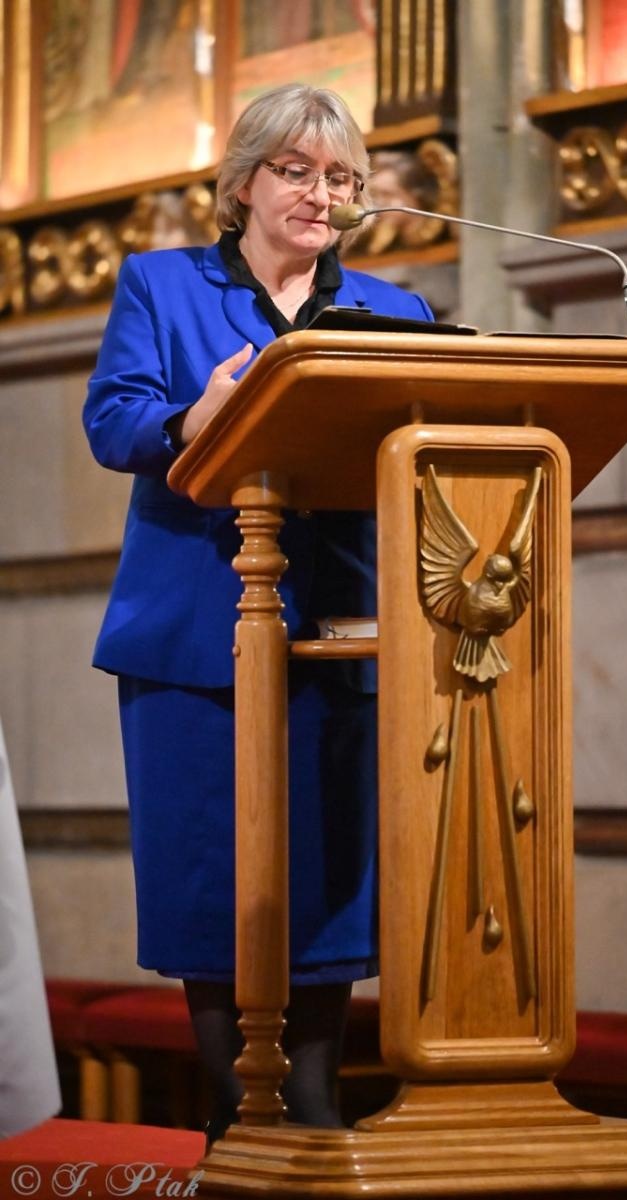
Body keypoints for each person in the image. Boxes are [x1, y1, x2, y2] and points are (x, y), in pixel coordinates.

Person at [83, 82, 433, 1144]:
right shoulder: (163, 286)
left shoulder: (398, 312)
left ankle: (311, 1115)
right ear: (242, 185)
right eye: (297, 170)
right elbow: (114, 420)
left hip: (344, 642)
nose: (321, 194)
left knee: (323, 893)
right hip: (194, 641)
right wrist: (197, 412)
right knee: (216, 892)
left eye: (340, 177)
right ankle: (259, 1131)